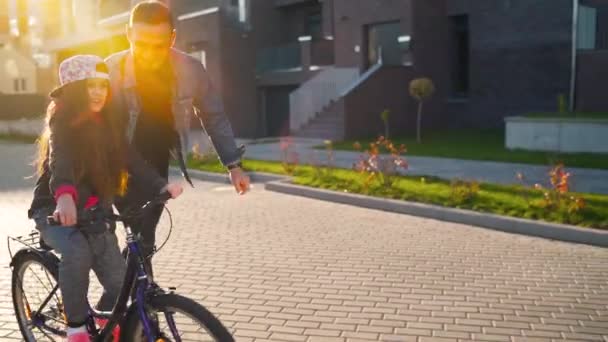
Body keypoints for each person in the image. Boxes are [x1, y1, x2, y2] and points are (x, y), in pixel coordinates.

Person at [28, 55, 183, 342]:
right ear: (75, 90)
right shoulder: (63, 126)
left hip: (93, 214)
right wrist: (64, 197)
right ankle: (75, 328)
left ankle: (101, 321)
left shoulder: (107, 125)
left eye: (103, 85)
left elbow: (132, 159)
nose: (99, 91)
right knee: (77, 252)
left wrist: (160, 185)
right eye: (91, 86)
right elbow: (60, 162)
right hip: (55, 210)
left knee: (117, 282)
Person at [105, 0, 250, 269]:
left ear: (172, 38)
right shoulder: (109, 70)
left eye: (158, 46)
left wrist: (234, 166)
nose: (149, 53)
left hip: (156, 166)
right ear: (128, 35)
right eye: (142, 44)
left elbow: (213, 115)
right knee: (128, 239)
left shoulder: (190, 70)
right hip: (115, 164)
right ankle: (132, 303)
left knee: (143, 242)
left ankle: (126, 301)